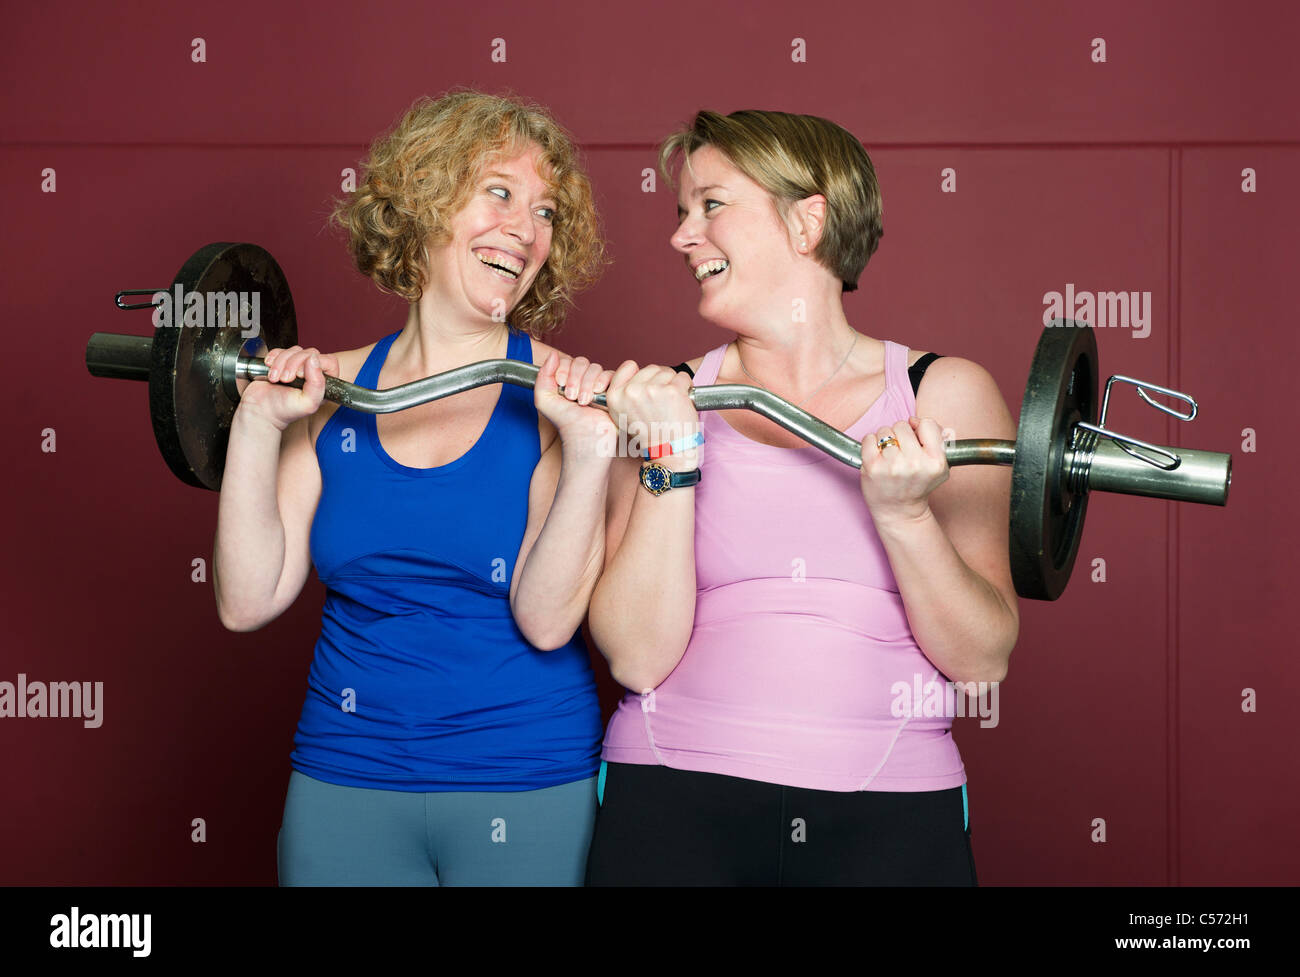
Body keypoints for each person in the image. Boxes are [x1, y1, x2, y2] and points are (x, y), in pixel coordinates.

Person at [584, 109, 1020, 885]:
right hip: (674, 795)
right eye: (682, 212)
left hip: (891, 807)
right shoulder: (666, 400)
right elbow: (637, 657)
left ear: (807, 220)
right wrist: (670, 458)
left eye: (710, 205)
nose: (682, 236)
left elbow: (982, 660)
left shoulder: (940, 395)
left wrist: (905, 514)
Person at [212, 90, 617, 885]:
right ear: (425, 199)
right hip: (346, 771)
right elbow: (246, 600)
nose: (524, 229)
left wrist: (593, 447)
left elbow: (545, 621)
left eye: (544, 212)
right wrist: (257, 427)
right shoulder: (326, 393)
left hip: (525, 776)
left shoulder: (560, 403)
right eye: (499, 191)